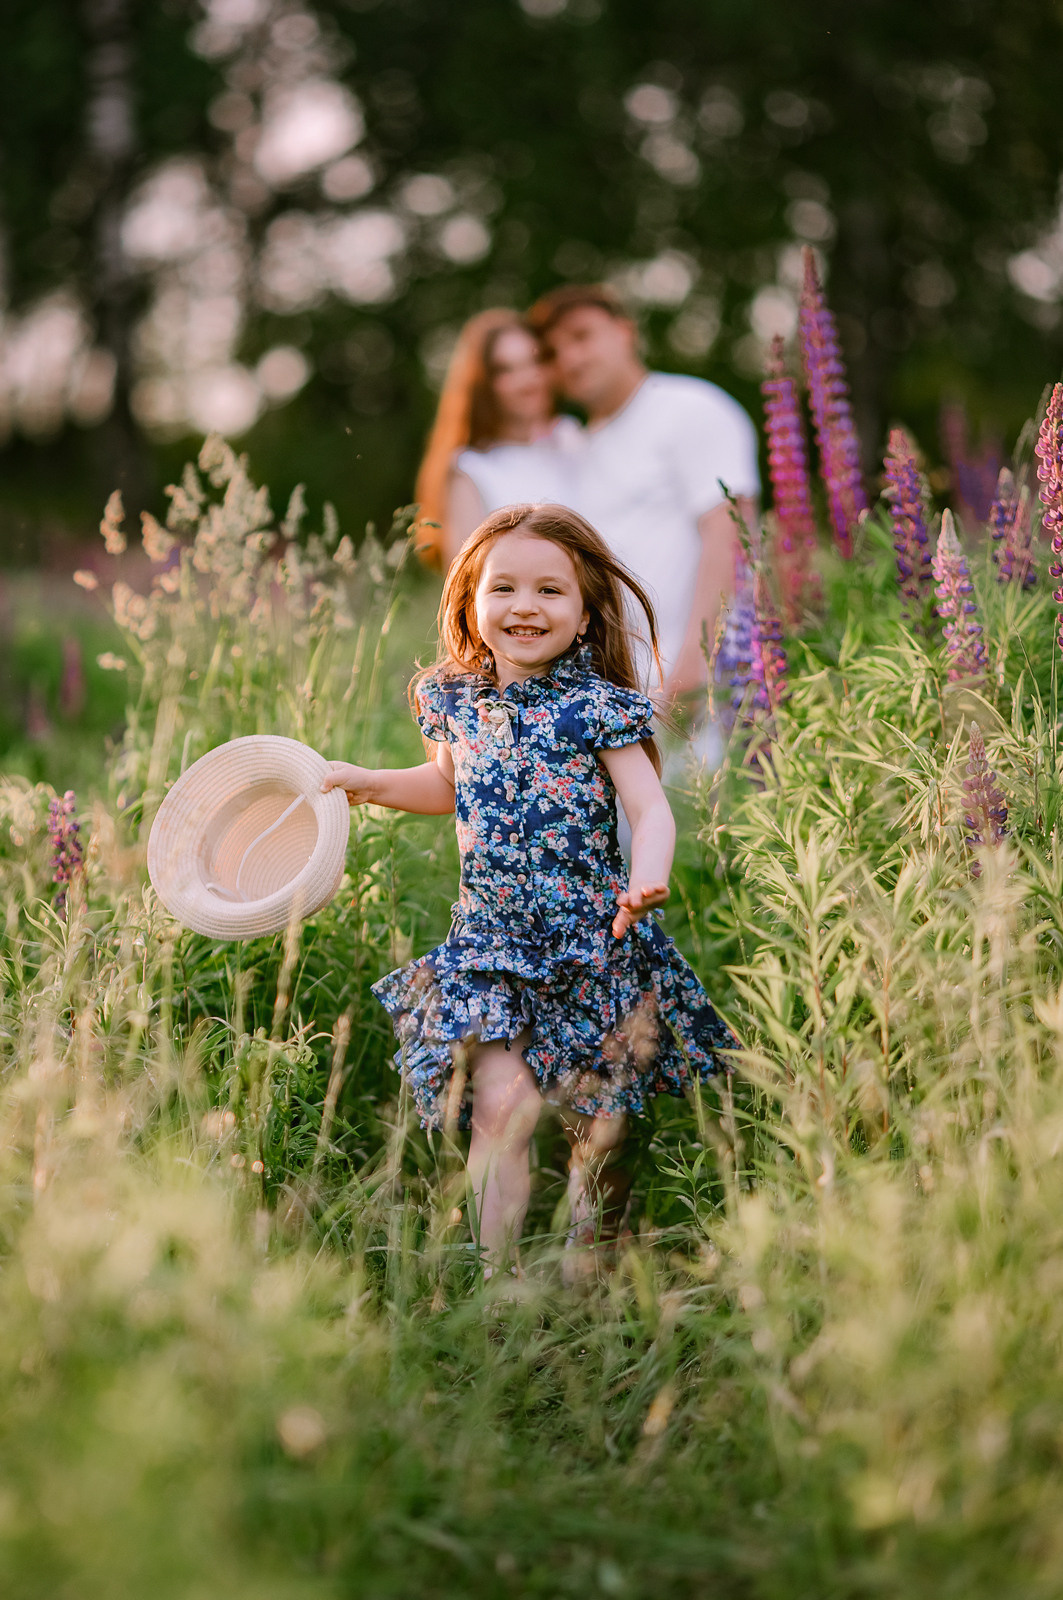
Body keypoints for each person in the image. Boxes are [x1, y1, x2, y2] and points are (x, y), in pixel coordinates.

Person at [322, 504, 734, 1280]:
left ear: (583, 615)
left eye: (549, 591)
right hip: (492, 943)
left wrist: (648, 876)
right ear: (471, 605)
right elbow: (446, 785)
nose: (523, 606)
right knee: (500, 1111)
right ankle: (493, 1288)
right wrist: (369, 783)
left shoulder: (599, 710)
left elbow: (649, 810)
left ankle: (592, 1276)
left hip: (594, 939)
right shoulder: (457, 704)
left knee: (596, 1125)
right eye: (503, 588)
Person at [525, 284, 760, 703]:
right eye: (555, 353)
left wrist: (695, 663)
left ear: (624, 331)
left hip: (695, 686)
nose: (571, 360)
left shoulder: (690, 408)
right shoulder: (571, 449)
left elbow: (733, 537)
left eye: (582, 336)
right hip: (610, 697)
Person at [414, 308, 579, 571]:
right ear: (483, 384)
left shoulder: (570, 438)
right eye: (506, 370)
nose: (527, 379)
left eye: (534, 361)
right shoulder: (472, 469)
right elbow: (464, 584)